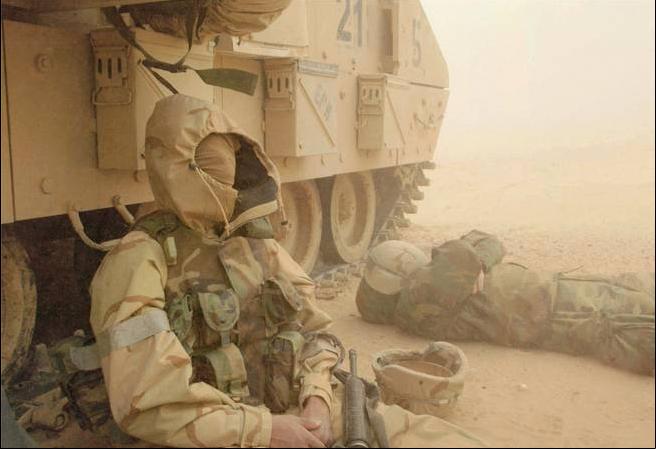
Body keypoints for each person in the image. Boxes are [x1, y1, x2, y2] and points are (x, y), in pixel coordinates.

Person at [89, 94, 485, 448]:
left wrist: (317, 398)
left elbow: (315, 332)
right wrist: (264, 431)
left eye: (227, 161)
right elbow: (148, 404)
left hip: (292, 414)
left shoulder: (253, 242)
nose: (225, 177)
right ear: (176, 170)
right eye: (208, 166)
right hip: (211, 434)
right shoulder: (138, 261)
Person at [357, 232, 655, 376]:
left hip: (564, 292)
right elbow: (471, 247)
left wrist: (480, 262)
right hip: (570, 315)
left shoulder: (435, 283)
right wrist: (477, 260)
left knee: (636, 288)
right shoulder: (418, 305)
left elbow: (488, 241)